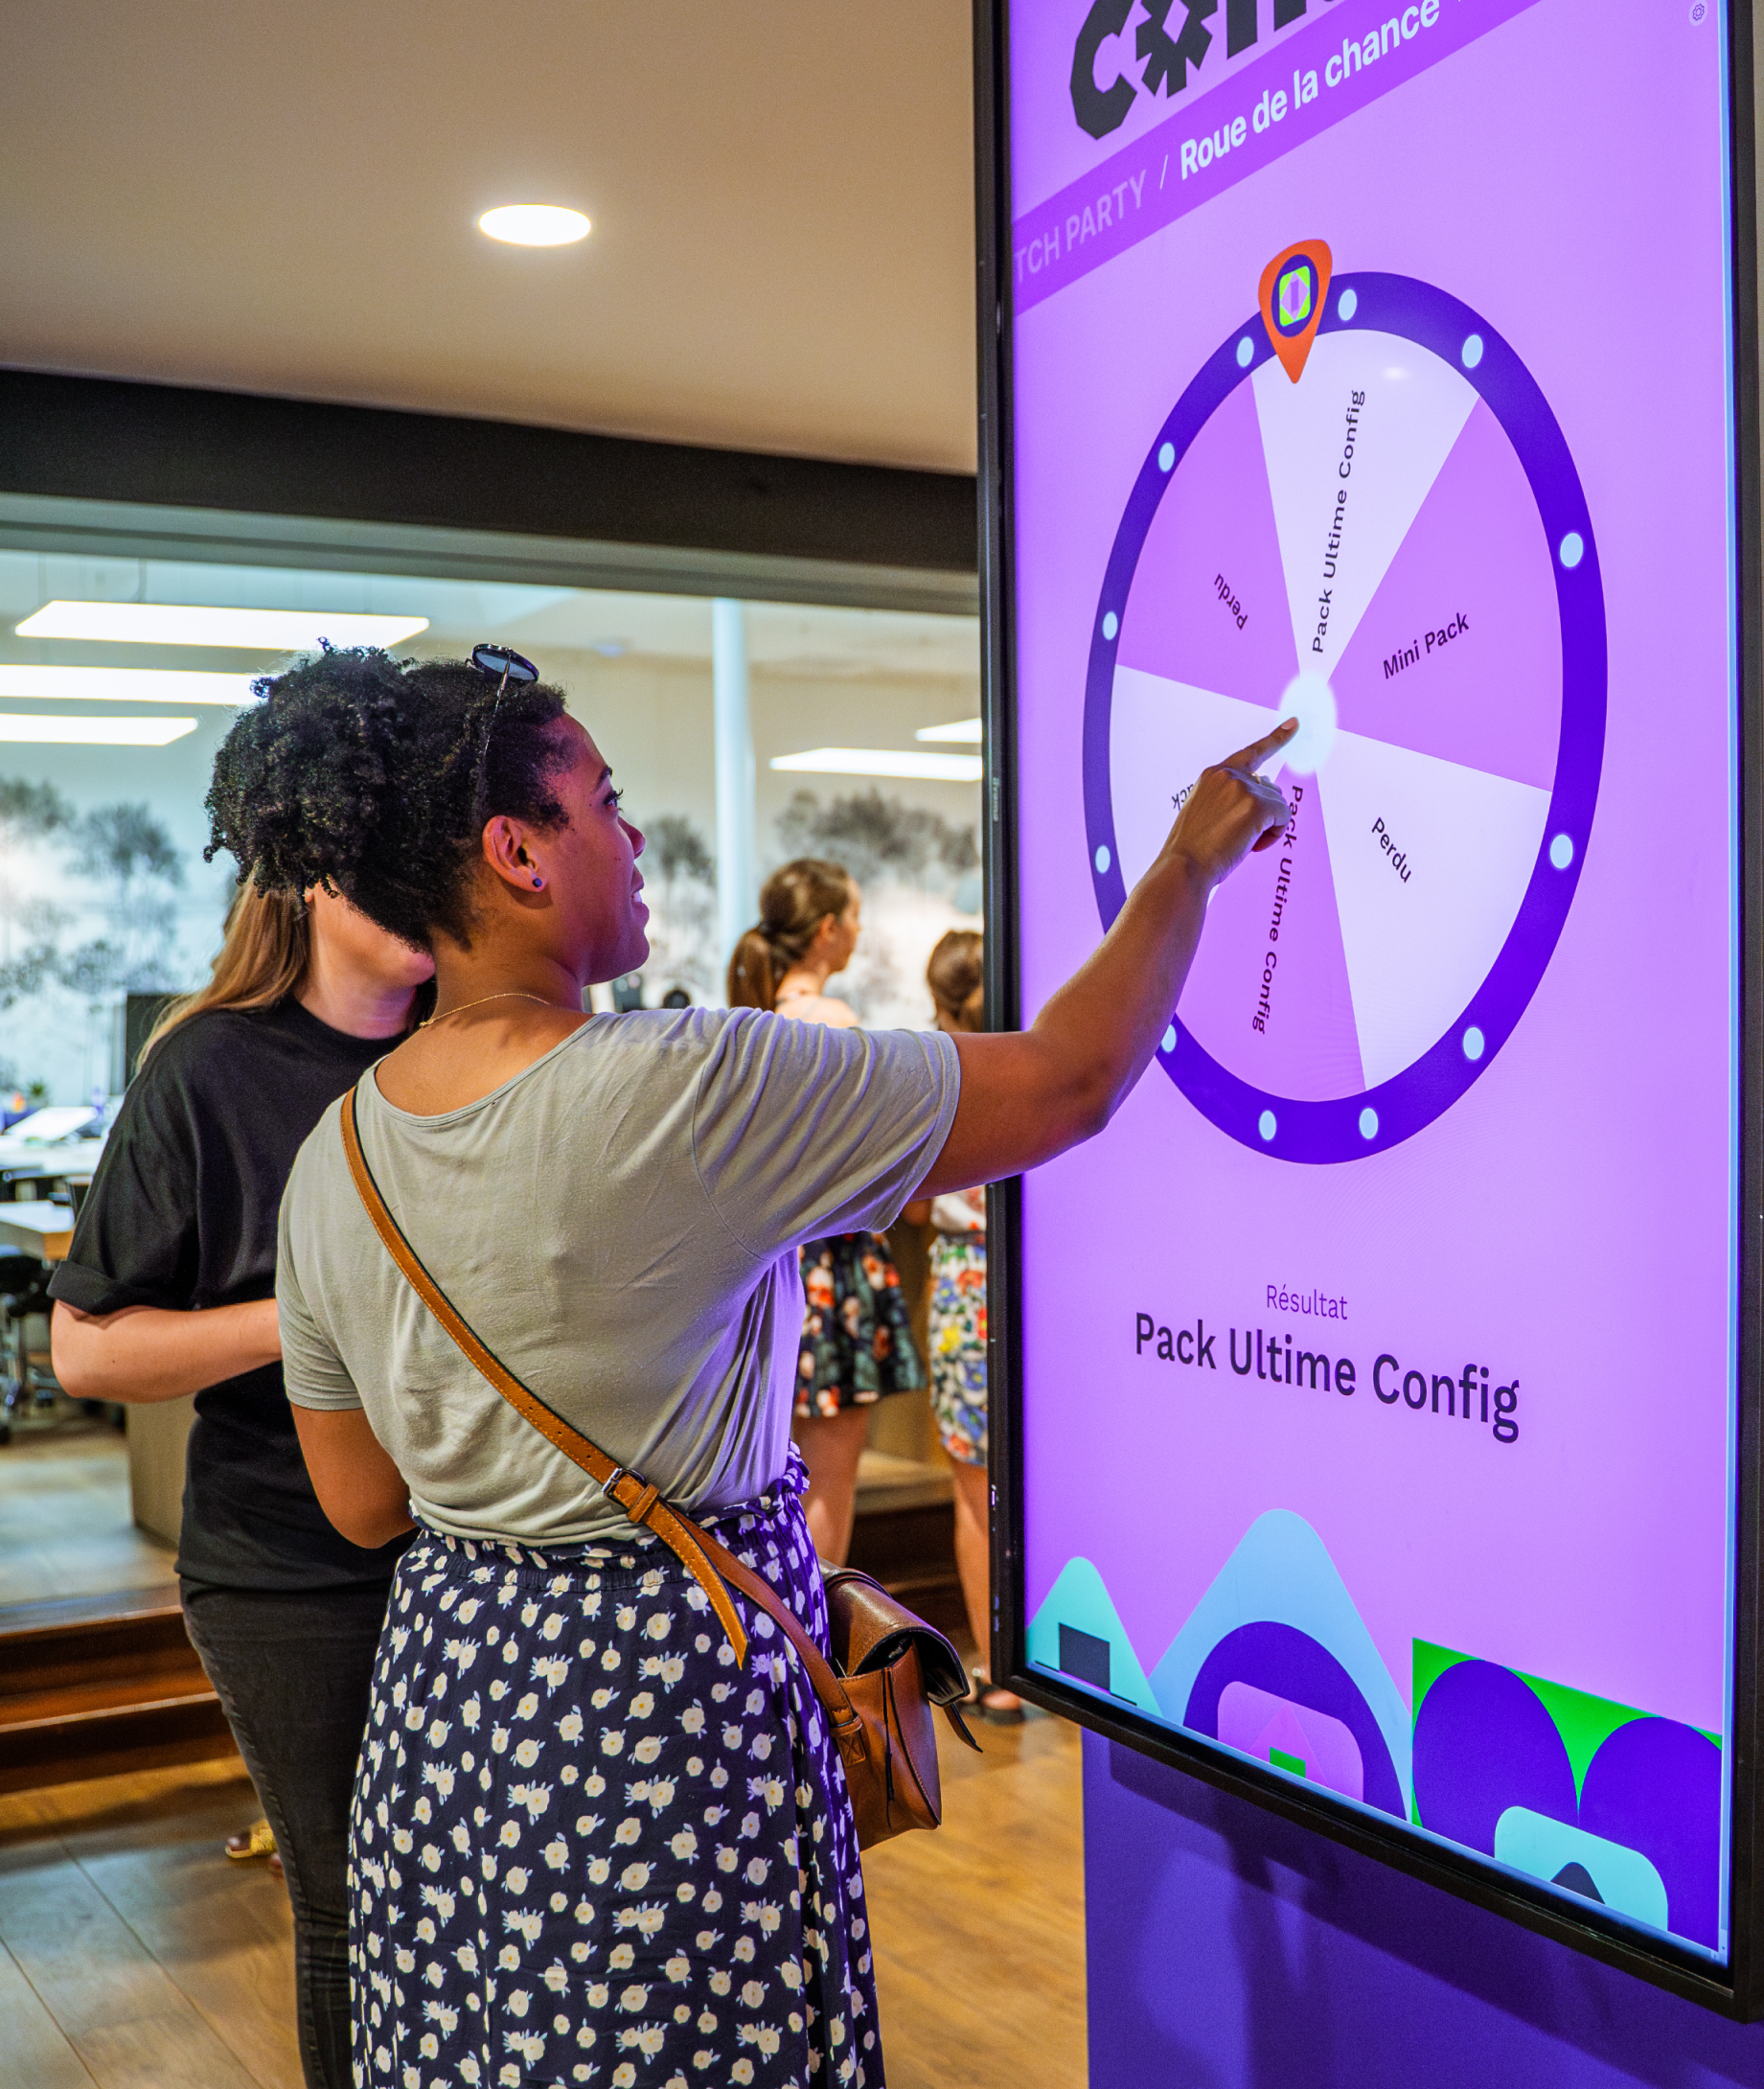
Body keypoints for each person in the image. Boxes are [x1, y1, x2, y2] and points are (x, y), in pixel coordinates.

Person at [213, 644, 1288, 2089]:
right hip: (662, 1703)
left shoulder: (332, 1161)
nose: (636, 833)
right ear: (517, 852)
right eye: (604, 800)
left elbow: (359, 1504)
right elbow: (1069, 1080)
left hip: (447, 1713)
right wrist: (1188, 863)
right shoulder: (685, 1085)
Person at [48, 874, 435, 2089]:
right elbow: (90, 1345)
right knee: (349, 1900)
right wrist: (301, 1315)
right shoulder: (208, 1063)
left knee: (465, 1897)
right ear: (316, 879)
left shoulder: (474, 1042)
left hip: (476, 1548)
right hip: (287, 1565)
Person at [728, 860, 924, 1564]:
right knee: (828, 1490)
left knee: (782, 1483)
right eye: (855, 917)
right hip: (835, 1271)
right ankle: (821, 1662)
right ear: (828, 931)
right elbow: (866, 1164)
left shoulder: (751, 1019)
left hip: (773, 1269)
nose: (860, 932)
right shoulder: (831, 1022)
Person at [902, 930, 1021, 1722]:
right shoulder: (1024, 1062)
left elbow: (908, 1202)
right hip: (1028, 1277)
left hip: (960, 1280)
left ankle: (996, 1671)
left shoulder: (920, 1075)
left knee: (973, 1494)